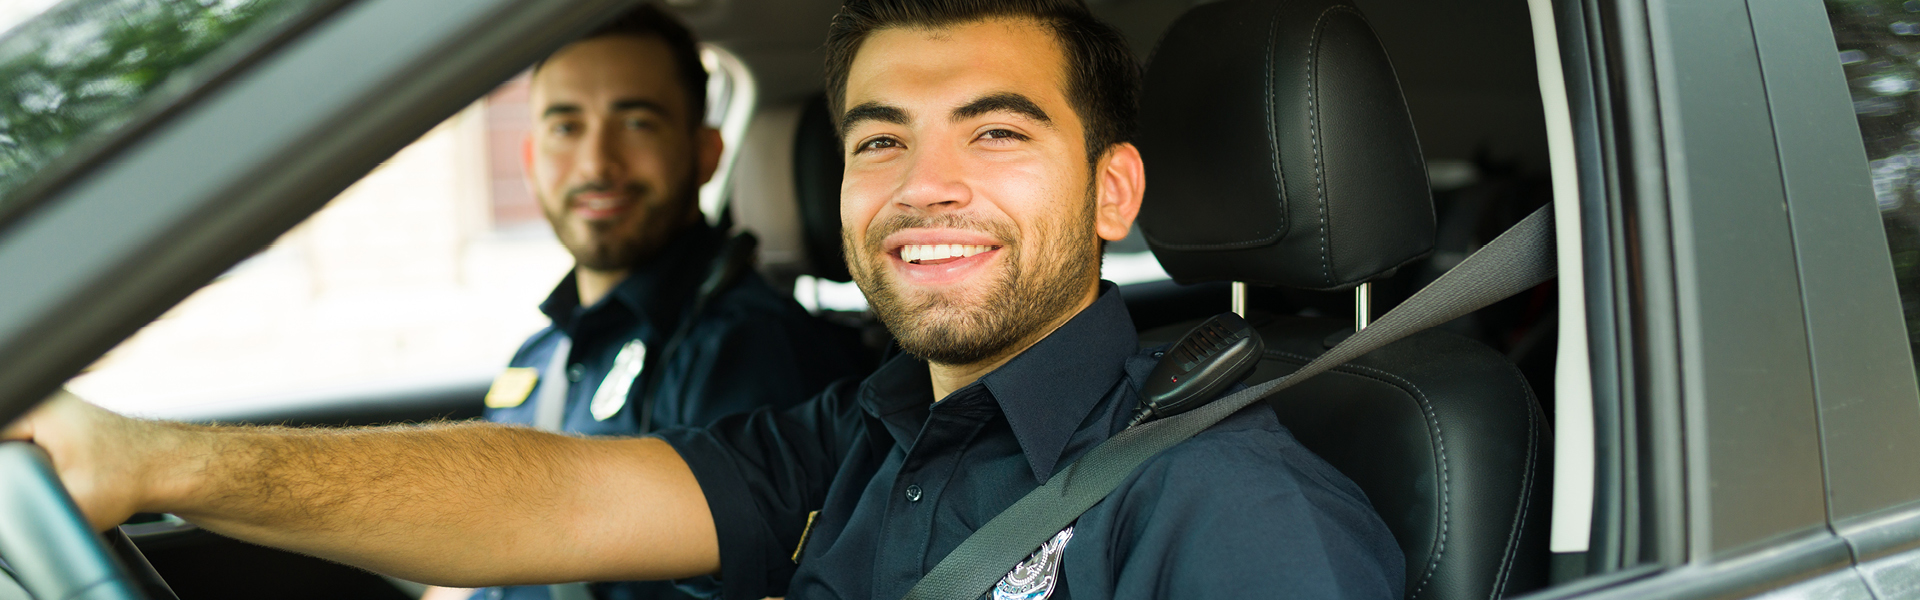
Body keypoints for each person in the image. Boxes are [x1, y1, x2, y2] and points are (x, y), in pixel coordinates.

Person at [4, 1, 1403, 598]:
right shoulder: (856, 438)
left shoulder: (1232, 511)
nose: (925, 185)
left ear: (1111, 195)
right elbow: (551, 501)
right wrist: (148, 461)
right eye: (878, 141)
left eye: (997, 133)